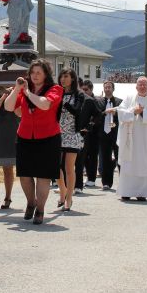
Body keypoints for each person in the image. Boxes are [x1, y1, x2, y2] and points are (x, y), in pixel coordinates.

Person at [4, 59, 62, 224]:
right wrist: (17, 89)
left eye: (39, 73)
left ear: (46, 75)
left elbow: (44, 105)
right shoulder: (22, 90)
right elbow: (8, 107)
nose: (35, 76)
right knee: (25, 175)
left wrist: (29, 93)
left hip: (48, 137)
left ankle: (41, 209)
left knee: (43, 176)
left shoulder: (54, 89)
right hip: (25, 137)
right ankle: (31, 202)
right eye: (32, 72)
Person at [116, 76, 147, 201]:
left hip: (146, 139)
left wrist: (142, 113)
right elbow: (120, 112)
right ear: (136, 87)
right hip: (130, 138)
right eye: (140, 85)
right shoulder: (129, 98)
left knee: (145, 163)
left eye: (144, 85)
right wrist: (133, 111)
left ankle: (142, 193)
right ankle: (126, 191)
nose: (142, 87)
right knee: (128, 164)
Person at [57, 68, 90, 211]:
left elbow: (77, 110)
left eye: (66, 76)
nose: (63, 79)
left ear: (72, 78)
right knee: (55, 167)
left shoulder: (79, 95)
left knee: (69, 168)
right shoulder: (57, 92)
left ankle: (68, 198)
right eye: (61, 77)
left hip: (72, 134)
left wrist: (63, 103)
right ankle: (63, 190)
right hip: (56, 133)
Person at [75, 80, 103, 191]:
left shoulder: (91, 100)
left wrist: (90, 125)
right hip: (74, 133)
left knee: (86, 158)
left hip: (88, 134)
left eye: (86, 89)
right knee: (74, 159)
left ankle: (83, 182)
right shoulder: (71, 98)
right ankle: (70, 184)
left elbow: (98, 115)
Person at [100, 80, 122, 191]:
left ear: (113, 89)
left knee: (120, 158)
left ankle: (123, 182)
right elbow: (96, 114)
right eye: (106, 87)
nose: (107, 89)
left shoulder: (119, 102)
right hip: (104, 134)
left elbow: (125, 114)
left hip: (117, 133)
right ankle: (106, 182)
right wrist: (104, 112)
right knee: (105, 158)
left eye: (109, 87)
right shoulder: (99, 101)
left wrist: (116, 113)